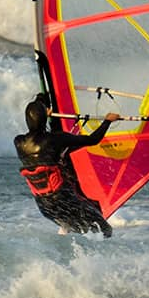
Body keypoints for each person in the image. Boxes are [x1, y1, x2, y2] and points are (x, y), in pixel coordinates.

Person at [14, 92, 121, 237]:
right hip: (64, 200)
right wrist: (107, 121)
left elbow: (46, 143)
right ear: (44, 117)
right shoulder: (56, 139)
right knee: (104, 230)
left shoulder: (19, 142)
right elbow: (92, 140)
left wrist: (42, 104)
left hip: (44, 206)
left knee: (81, 230)